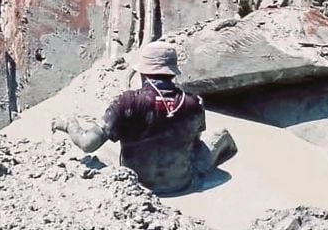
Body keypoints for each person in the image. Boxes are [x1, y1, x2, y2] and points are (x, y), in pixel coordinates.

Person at [51, 41, 236, 195]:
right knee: (222, 135)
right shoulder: (193, 103)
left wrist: (69, 124)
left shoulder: (127, 102)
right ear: (172, 72)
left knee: (103, 153)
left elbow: (87, 143)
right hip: (182, 184)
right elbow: (195, 143)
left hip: (137, 186)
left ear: (142, 72)